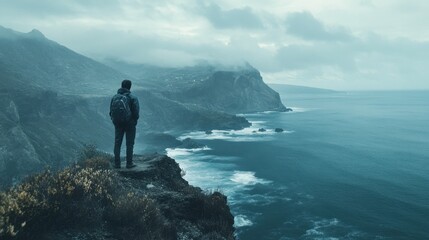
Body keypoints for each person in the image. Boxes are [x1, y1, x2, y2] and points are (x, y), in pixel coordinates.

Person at [110, 79, 139, 169]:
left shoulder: (115, 97)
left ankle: (117, 164)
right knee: (129, 143)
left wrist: (115, 120)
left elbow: (111, 112)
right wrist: (134, 121)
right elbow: (136, 112)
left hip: (118, 123)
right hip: (130, 123)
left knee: (117, 143)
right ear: (130, 87)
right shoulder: (133, 98)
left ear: (121, 86)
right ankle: (129, 163)